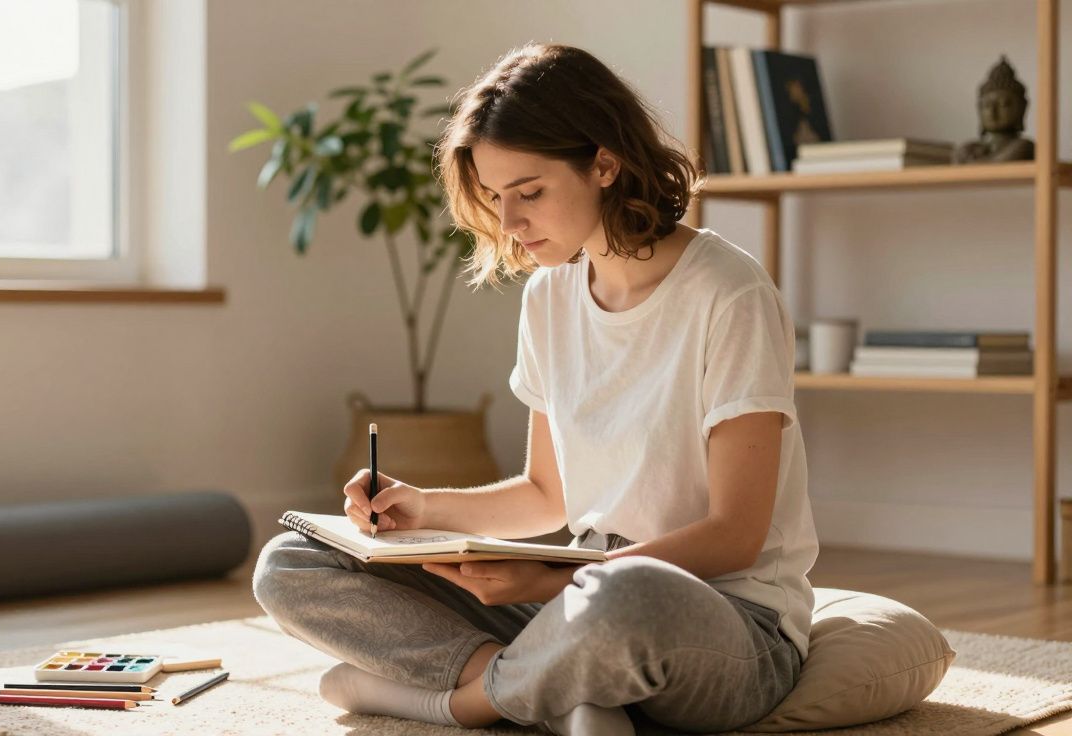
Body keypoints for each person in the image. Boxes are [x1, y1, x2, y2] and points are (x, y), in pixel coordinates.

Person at [253, 42, 817, 736]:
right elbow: (547, 496)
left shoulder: (729, 294)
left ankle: (462, 701)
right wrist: (423, 510)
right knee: (290, 562)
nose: (511, 223)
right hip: (575, 600)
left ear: (604, 163)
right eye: (495, 197)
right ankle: (559, 687)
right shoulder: (550, 297)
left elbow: (736, 535)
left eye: (530, 191)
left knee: (621, 596)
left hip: (723, 623)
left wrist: (559, 583)